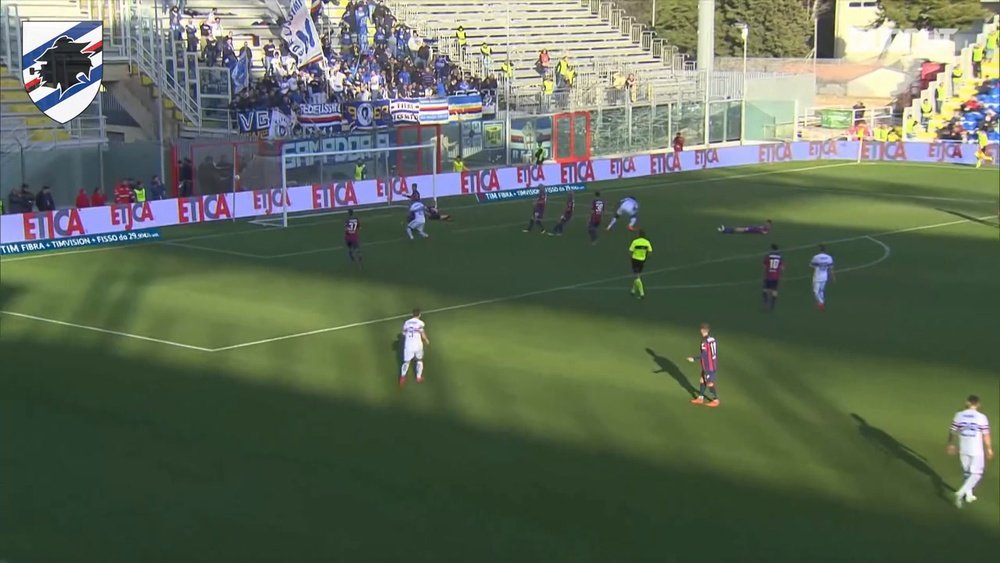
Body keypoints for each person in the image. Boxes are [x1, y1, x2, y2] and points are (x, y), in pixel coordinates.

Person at [948, 395, 993, 508]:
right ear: (978, 404)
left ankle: (969, 495)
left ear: (967, 403)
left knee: (967, 472)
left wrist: (951, 444)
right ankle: (960, 493)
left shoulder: (958, 415)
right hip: (976, 449)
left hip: (964, 448)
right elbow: (986, 435)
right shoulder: (981, 417)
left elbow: (952, 431)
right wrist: (988, 448)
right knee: (977, 474)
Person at [687, 323, 720, 407]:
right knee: (702, 380)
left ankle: (715, 400)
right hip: (713, 363)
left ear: (702, 330)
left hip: (708, 365)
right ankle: (700, 398)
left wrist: (694, 359)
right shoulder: (712, 339)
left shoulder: (704, 341)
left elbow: (704, 354)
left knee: (709, 383)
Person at [399, 309, 429, 386]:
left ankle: (402, 377)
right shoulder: (420, 323)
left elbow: (403, 333)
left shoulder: (407, 322)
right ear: (419, 315)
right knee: (419, 360)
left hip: (408, 345)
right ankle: (418, 377)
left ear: (412, 314)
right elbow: (422, 333)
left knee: (406, 362)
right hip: (418, 345)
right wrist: (426, 340)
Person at [810, 244, 835, 311]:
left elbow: (811, 266)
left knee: (815, 291)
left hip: (817, 276)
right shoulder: (829, 257)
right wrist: (833, 276)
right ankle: (822, 303)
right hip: (824, 276)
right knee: (821, 291)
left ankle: (821, 303)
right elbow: (831, 268)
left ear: (819, 250)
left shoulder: (816, 257)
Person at [627, 229, 652, 299]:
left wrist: (631, 258)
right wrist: (645, 258)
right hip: (642, 260)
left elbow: (630, 251)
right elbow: (650, 252)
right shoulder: (647, 242)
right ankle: (633, 290)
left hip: (635, 260)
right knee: (638, 275)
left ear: (638, 235)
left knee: (637, 276)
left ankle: (642, 293)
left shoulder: (635, 242)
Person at [762, 244, 784, 311]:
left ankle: (765, 304)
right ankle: (772, 305)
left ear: (772, 249)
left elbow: (764, 266)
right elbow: (782, 267)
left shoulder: (768, 256)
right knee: (774, 291)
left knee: (766, 290)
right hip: (776, 277)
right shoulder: (780, 257)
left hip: (769, 276)